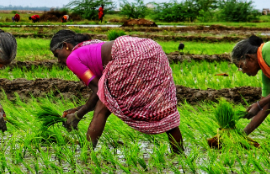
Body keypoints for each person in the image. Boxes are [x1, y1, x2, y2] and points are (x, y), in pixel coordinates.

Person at [50, 29, 183, 152]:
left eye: (57, 55)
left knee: (101, 110)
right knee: (161, 107)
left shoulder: (72, 58)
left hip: (127, 55)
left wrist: (78, 116)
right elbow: (102, 91)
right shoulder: (90, 46)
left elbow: (99, 91)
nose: (59, 61)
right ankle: (179, 155)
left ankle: (86, 154)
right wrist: (78, 110)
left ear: (66, 46)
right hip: (151, 48)